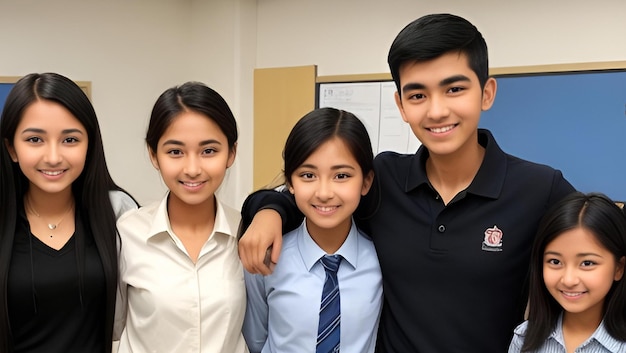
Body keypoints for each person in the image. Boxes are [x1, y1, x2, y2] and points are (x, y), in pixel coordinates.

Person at [238, 13, 576, 353]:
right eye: (418, 95)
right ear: (400, 104)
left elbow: (605, 249)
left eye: (454, 89)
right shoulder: (385, 178)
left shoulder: (538, 188)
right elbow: (317, 198)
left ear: (486, 93)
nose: (437, 111)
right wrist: (269, 212)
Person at [0, 72, 138, 353]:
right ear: (11, 148)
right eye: (35, 140)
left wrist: (256, 208)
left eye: (70, 140)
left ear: (90, 144)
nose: (53, 157)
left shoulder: (118, 212)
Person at [114, 81, 248, 352]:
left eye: (208, 151)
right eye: (175, 152)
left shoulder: (246, 231)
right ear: (154, 155)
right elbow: (115, 326)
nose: (192, 168)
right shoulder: (127, 232)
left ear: (231, 153)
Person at [242, 107, 382, 353]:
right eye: (308, 175)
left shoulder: (382, 261)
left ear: (366, 182)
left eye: (341, 175)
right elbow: (255, 339)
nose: (324, 193)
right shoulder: (266, 257)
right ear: (290, 183)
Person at [508, 192, 626, 352]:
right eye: (555, 262)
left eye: (587, 263)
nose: (569, 280)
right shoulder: (524, 338)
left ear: (619, 268)